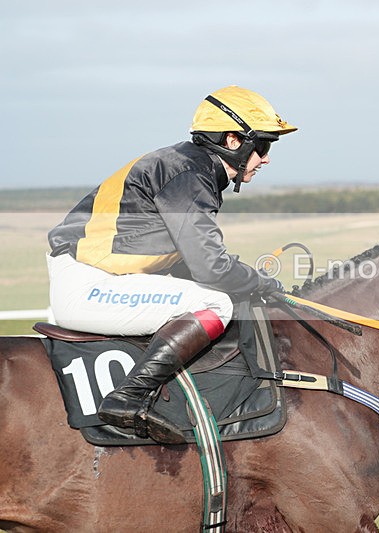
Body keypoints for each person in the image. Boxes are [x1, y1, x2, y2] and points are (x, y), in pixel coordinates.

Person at [47, 85, 296, 443]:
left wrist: (245, 279)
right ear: (232, 141)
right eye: (263, 146)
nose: (266, 158)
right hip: (89, 286)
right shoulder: (188, 175)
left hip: (95, 277)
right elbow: (210, 267)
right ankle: (128, 398)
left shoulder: (187, 167)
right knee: (216, 303)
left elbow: (192, 264)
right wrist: (257, 282)